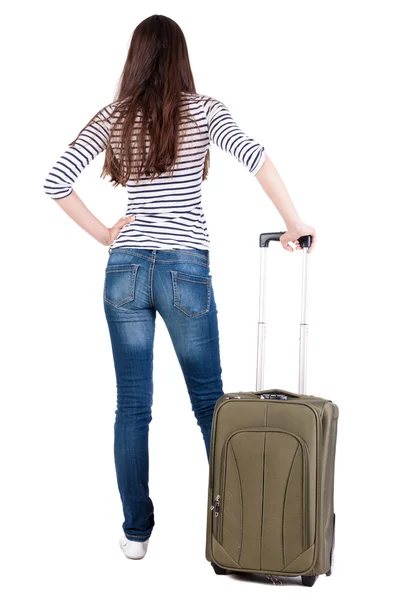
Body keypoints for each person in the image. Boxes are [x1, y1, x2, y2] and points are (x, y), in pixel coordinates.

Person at [43, 14, 316, 561]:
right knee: (210, 403)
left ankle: (136, 534)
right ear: (181, 57)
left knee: (132, 407)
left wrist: (105, 235)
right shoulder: (204, 109)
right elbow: (255, 157)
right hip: (183, 268)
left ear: (136, 57)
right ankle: (246, 522)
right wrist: (296, 223)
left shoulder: (115, 116)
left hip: (124, 271)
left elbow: (56, 181)